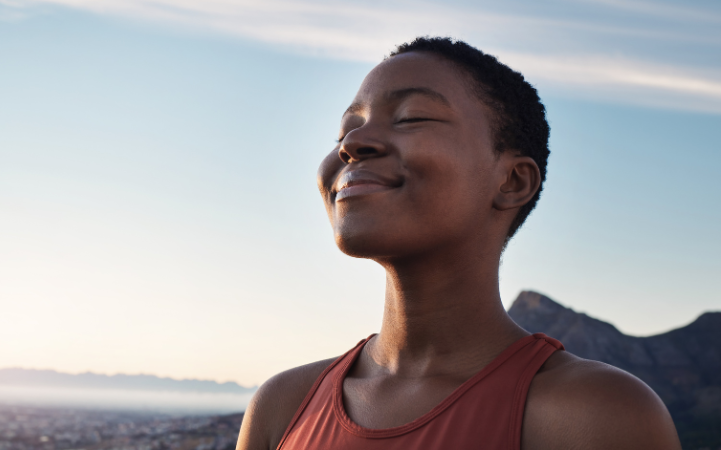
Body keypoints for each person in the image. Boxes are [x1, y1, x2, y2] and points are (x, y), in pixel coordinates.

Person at [236, 37, 681, 450]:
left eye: (411, 117)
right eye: (345, 131)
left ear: (511, 181)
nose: (352, 144)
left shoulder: (596, 416)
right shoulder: (282, 405)